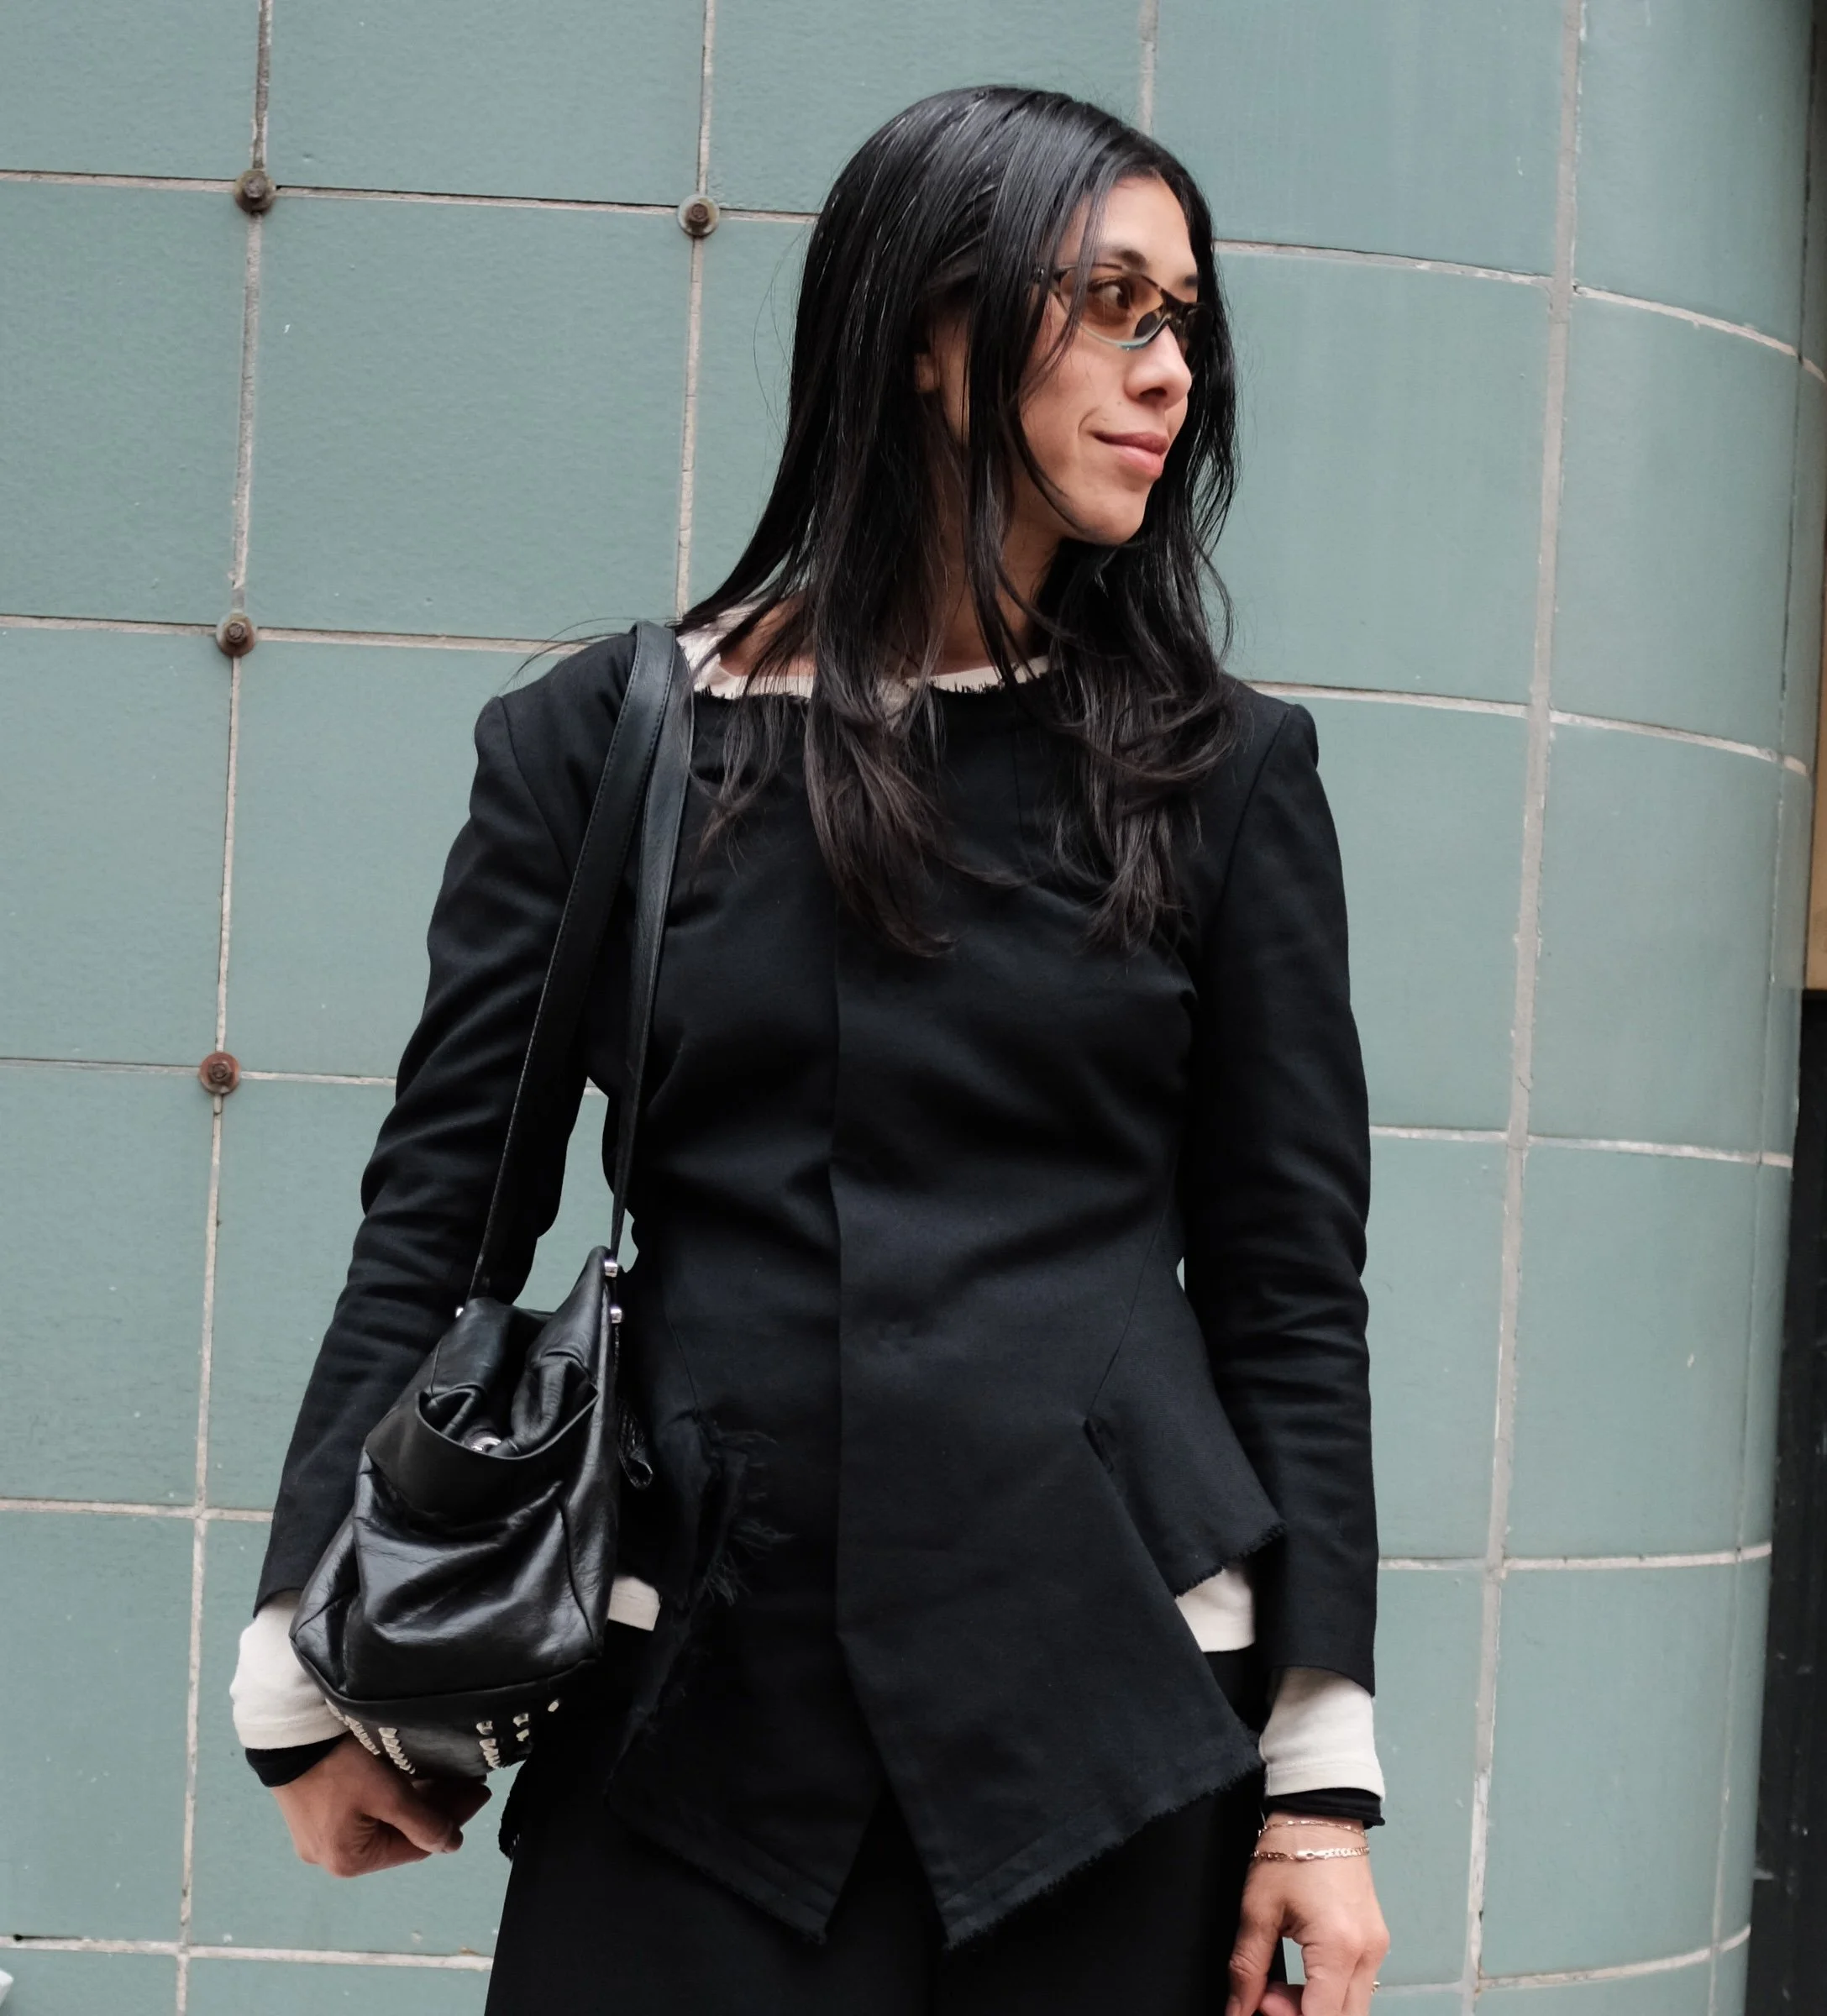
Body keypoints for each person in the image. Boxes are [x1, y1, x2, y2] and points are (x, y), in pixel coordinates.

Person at [230, 84, 1391, 2016]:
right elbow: (440, 1223)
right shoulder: (602, 745)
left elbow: (1287, 1295)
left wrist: (1319, 1787)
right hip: (692, 1720)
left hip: (1110, 1731)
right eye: (1113, 303)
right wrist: (304, 1657)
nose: (1169, 370)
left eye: (1183, 319)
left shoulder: (1221, 774)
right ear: (932, 328)